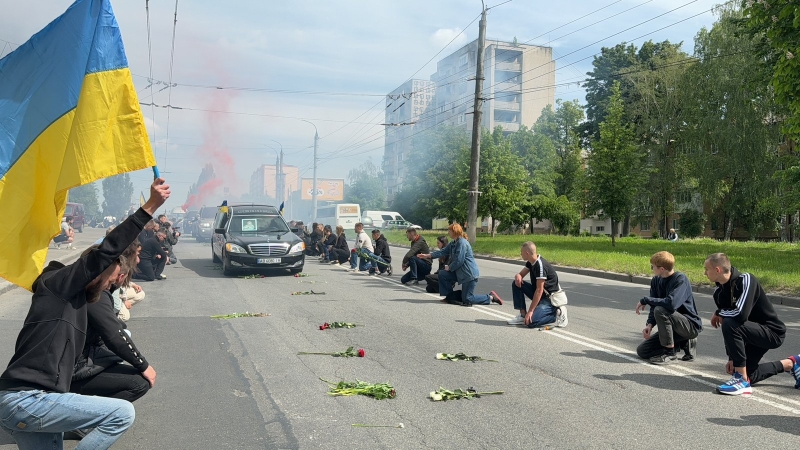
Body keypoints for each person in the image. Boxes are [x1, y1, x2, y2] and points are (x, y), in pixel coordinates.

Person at [0, 178, 169, 450]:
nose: (113, 283)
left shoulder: (75, 304)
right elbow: (106, 251)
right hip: (28, 399)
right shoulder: (57, 286)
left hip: (33, 402)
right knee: (121, 414)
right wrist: (149, 208)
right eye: (113, 275)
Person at [70, 244, 155, 409]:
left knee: (122, 342)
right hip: (72, 371)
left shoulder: (73, 286)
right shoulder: (95, 295)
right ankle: (85, 416)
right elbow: (113, 335)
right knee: (139, 383)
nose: (110, 285)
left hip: (65, 366)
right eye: (111, 279)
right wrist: (143, 365)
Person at [704, 253, 790, 395]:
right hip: (751, 335)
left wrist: (720, 313)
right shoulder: (718, 292)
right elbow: (730, 324)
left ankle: (741, 380)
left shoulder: (746, 280)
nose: (704, 273)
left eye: (706, 269)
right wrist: (732, 357)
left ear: (717, 269)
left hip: (772, 332)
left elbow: (740, 315)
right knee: (748, 372)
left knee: (730, 323)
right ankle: (791, 364)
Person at [635, 251, 702, 364]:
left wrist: (645, 300)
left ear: (662, 269)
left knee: (661, 310)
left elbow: (671, 304)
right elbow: (654, 305)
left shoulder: (681, 280)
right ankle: (680, 343)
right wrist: (650, 324)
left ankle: (670, 353)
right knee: (643, 351)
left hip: (689, 326)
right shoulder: (656, 280)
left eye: (653, 267)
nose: (651, 269)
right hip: (673, 328)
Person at [419, 223, 502, 307]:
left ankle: (491, 297)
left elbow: (459, 260)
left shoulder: (462, 243)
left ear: (455, 231)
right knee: (442, 274)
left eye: (449, 231)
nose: (448, 232)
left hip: (469, 274)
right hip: (460, 273)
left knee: (467, 299)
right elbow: (442, 251)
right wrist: (427, 255)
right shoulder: (453, 243)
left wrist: (450, 267)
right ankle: (449, 297)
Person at [506, 241, 567, 328]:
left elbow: (539, 290)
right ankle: (523, 315)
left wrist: (531, 311)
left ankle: (556, 313)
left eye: (521, 252)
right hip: (540, 295)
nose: (520, 254)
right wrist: (518, 276)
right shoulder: (530, 262)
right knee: (516, 283)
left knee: (530, 322)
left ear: (527, 253)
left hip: (549, 299)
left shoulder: (540, 266)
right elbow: (521, 275)